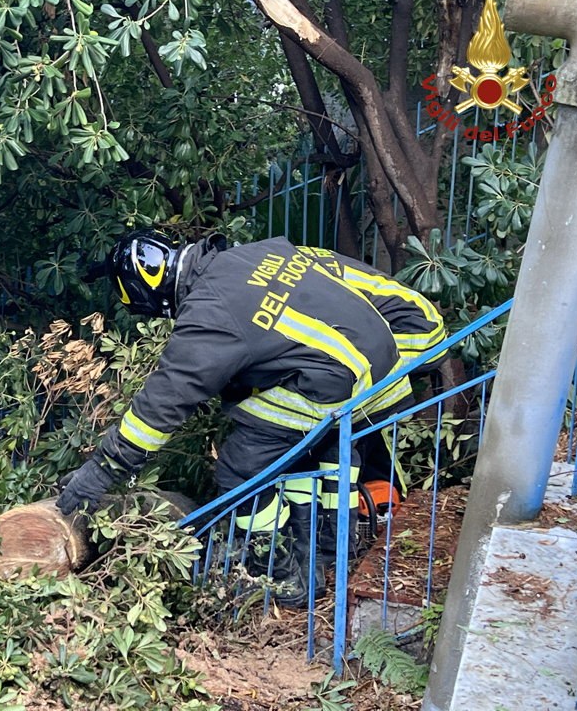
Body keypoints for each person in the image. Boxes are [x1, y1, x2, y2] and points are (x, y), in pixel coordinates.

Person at [56, 230, 445, 607]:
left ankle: (278, 575)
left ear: (147, 293)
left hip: (338, 382)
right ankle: (324, 553)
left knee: (240, 469)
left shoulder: (210, 310)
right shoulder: (252, 256)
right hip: (381, 374)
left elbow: (166, 399)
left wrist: (103, 469)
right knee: (310, 454)